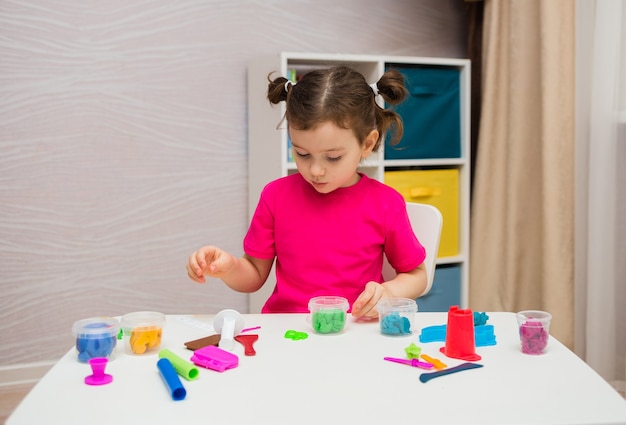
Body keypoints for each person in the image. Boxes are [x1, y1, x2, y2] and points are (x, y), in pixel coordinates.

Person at [187, 65, 427, 319]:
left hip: (353, 331)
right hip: (287, 331)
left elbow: (417, 276)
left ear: (367, 144)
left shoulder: (385, 203)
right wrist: (227, 267)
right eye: (301, 153)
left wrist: (388, 293)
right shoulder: (276, 197)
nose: (315, 170)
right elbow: (254, 275)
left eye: (332, 157)